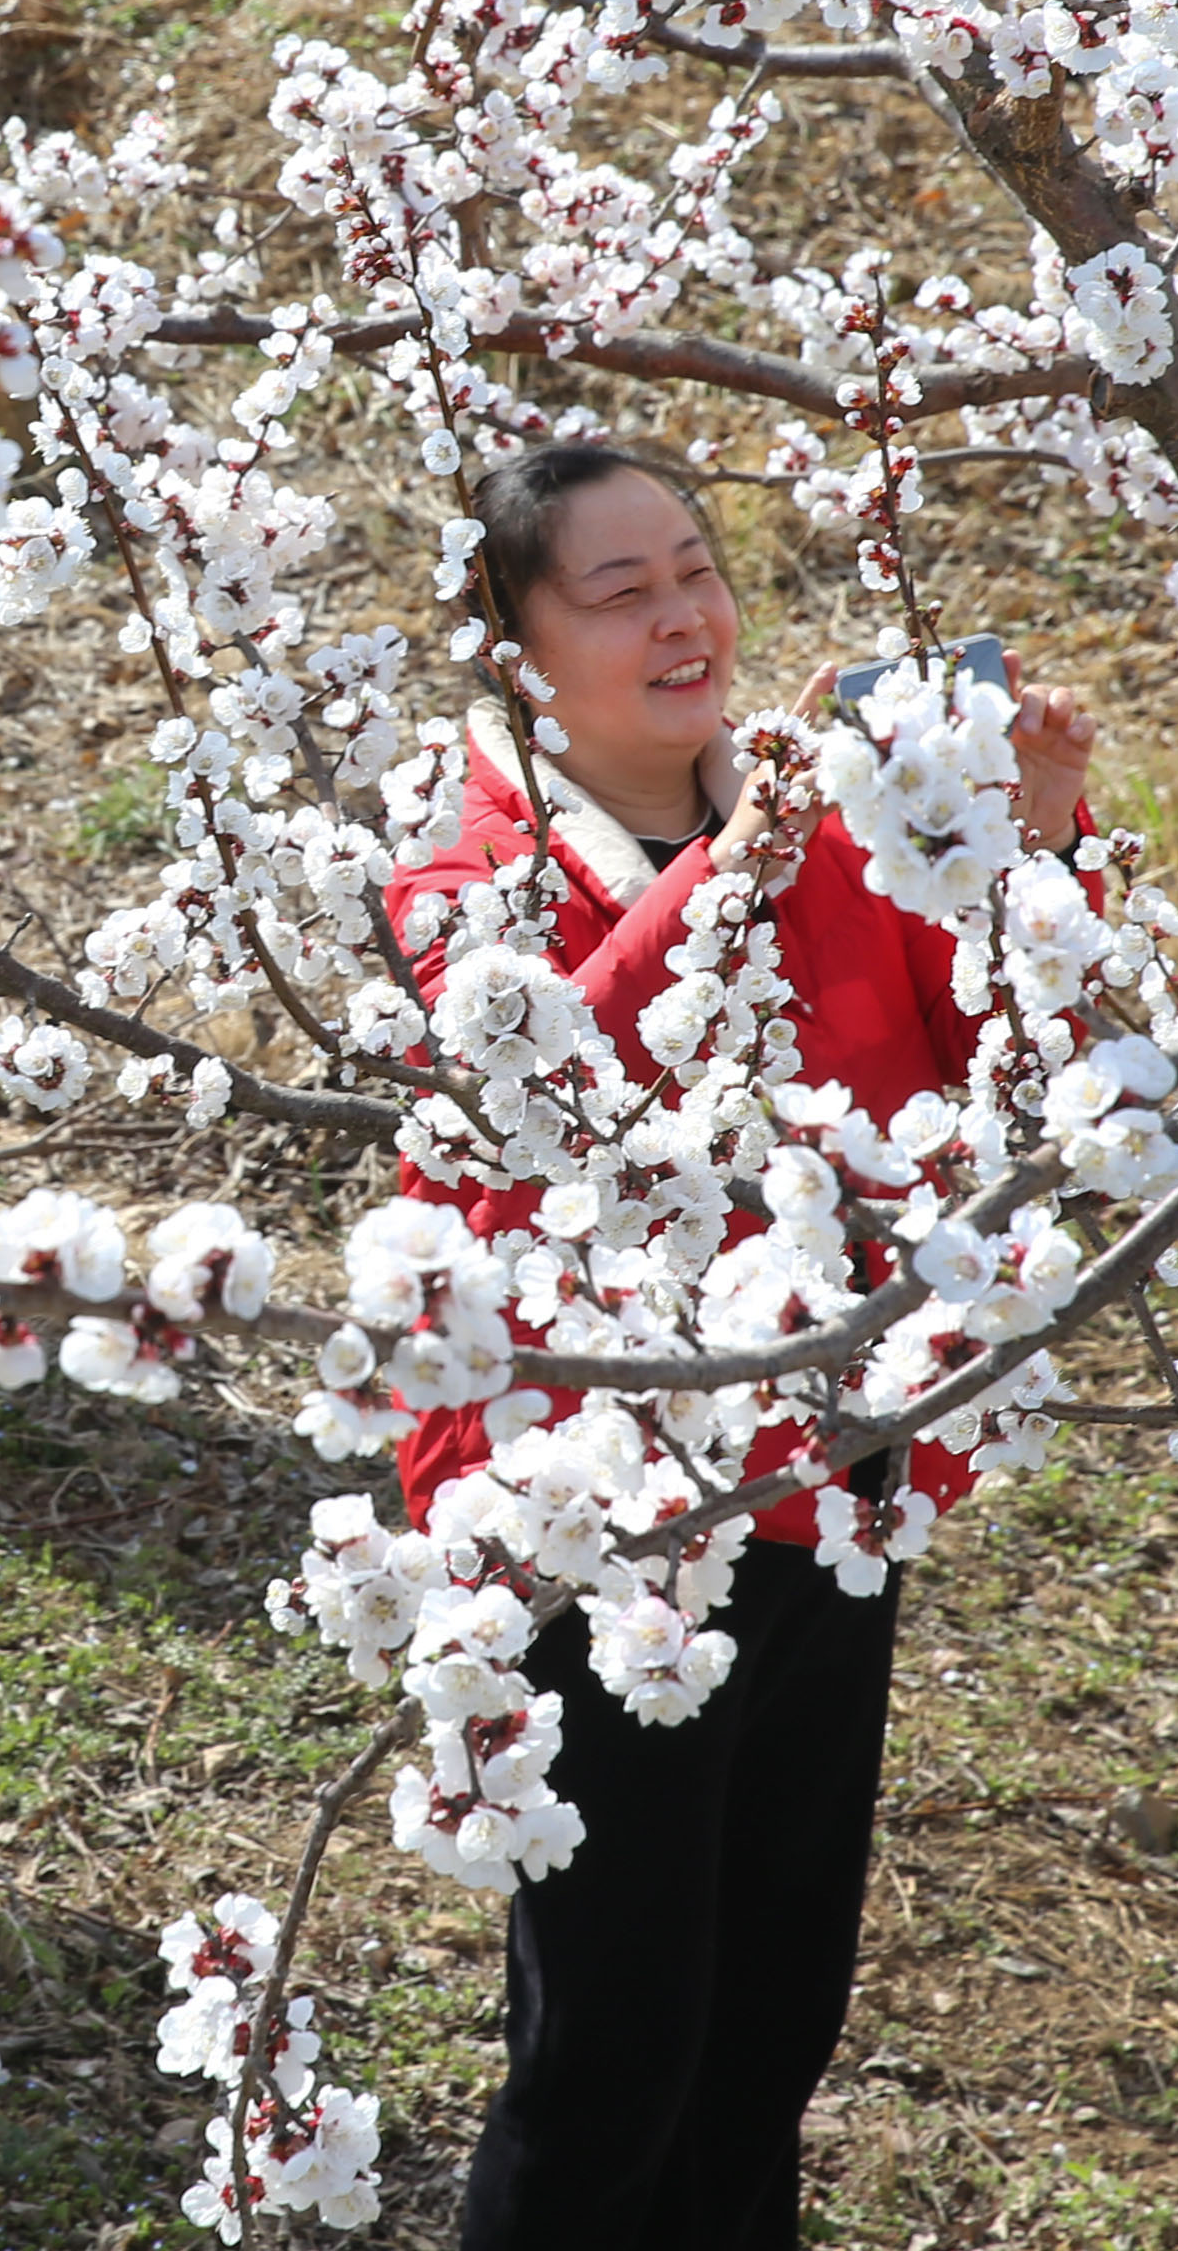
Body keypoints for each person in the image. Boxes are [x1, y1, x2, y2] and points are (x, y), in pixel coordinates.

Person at [389, 442, 1100, 2251]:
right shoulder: (461, 870)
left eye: (695, 569)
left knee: (772, 2016)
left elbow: (1002, 1062)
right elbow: (558, 1078)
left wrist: (1039, 840)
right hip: (591, 1513)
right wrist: (735, 860)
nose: (684, 614)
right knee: (609, 2045)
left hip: (824, 1477)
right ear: (510, 638)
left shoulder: (839, 822)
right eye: (618, 591)